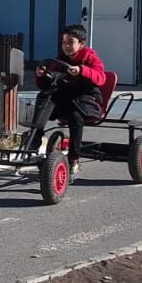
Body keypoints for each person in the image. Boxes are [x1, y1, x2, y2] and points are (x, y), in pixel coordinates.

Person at [45, 24, 107, 176]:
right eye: (64, 42)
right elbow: (47, 83)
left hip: (88, 101)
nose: (66, 46)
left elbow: (101, 78)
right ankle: (33, 141)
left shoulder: (89, 56)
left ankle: (75, 159)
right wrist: (42, 74)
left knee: (75, 115)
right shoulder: (61, 59)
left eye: (70, 42)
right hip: (67, 98)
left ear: (81, 44)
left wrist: (82, 70)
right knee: (43, 101)